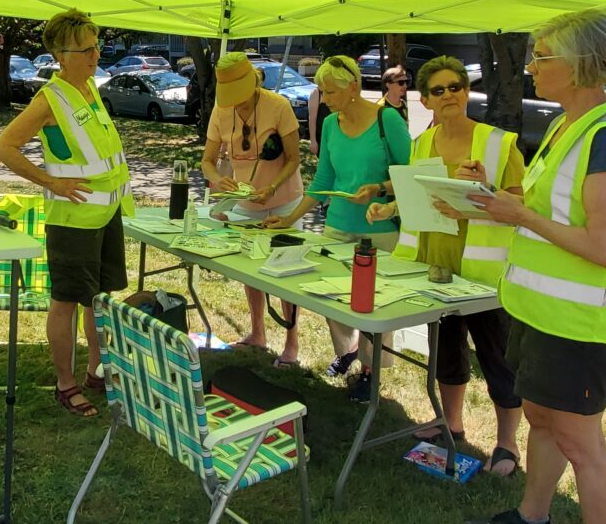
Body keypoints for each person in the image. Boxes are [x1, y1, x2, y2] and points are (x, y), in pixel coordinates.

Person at [465, 11, 606, 524]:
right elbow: (547, 208)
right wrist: (492, 195)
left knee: (581, 442)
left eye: (541, 57)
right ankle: (533, 515)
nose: (530, 67)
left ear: (575, 65)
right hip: (541, 315)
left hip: (579, 327)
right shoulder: (564, 125)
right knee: (541, 419)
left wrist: (519, 213)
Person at [367, 56, 524, 476]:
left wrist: (485, 191)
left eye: (456, 86)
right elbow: (423, 197)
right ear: (425, 99)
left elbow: (522, 206)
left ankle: (507, 445)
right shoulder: (422, 142)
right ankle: (450, 423)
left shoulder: (498, 143)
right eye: (439, 90)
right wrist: (390, 207)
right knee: (447, 352)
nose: (450, 95)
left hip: (483, 273)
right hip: (435, 263)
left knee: (498, 358)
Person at [0, 9, 133, 418]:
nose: (95, 56)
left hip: (106, 216)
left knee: (100, 300)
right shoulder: (49, 99)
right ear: (60, 55)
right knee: (67, 302)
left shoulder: (89, 89)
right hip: (72, 220)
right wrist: (50, 182)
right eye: (85, 49)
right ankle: (65, 384)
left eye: (97, 47)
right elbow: (4, 146)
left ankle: (95, 371)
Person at [264, 55, 410, 400]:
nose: (324, 99)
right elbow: (324, 180)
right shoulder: (330, 124)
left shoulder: (387, 120)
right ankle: (347, 351)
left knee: (375, 303)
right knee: (331, 294)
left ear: (354, 88)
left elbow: (409, 175)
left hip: (380, 228)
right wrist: (287, 218)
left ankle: (370, 371)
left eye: (330, 92)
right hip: (338, 225)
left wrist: (379, 190)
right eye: (321, 91)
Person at [200, 52, 304, 367]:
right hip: (245, 203)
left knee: (285, 273)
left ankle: (292, 342)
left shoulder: (278, 106)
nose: (236, 104)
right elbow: (207, 161)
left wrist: (272, 187)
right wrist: (219, 179)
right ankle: (258, 333)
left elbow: (294, 159)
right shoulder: (221, 110)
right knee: (250, 271)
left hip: (283, 200)